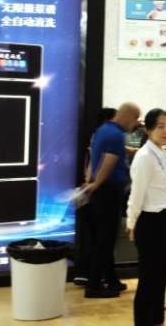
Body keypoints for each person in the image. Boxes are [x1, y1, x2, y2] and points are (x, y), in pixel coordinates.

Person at [84, 102, 140, 298]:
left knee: (104, 238)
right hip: (107, 192)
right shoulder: (116, 135)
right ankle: (93, 285)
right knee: (105, 240)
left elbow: (94, 158)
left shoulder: (103, 130)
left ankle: (111, 280)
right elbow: (108, 161)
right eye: (135, 119)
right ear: (127, 116)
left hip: (101, 191)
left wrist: (90, 181)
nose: (135, 124)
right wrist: (96, 184)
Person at [127, 109, 166, 326]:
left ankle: (157, 320)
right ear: (148, 130)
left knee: (162, 277)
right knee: (149, 280)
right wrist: (131, 222)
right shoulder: (145, 157)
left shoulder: (159, 153)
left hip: (163, 222)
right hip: (150, 223)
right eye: (160, 126)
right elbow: (137, 194)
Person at [73, 107, 117, 287]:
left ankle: (108, 278)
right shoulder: (102, 139)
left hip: (92, 193)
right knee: (101, 238)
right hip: (97, 194)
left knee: (101, 238)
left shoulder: (98, 137)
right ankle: (95, 278)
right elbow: (95, 167)